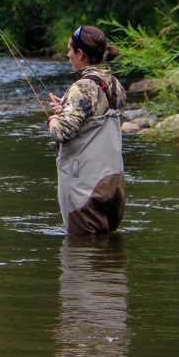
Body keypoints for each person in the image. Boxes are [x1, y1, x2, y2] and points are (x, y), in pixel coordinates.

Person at [47, 25, 127, 234]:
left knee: (82, 255)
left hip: (85, 186)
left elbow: (62, 131)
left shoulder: (81, 88)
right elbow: (95, 113)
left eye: (70, 50)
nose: (67, 54)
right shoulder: (116, 85)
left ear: (80, 54)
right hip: (114, 183)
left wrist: (54, 120)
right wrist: (67, 106)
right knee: (107, 251)